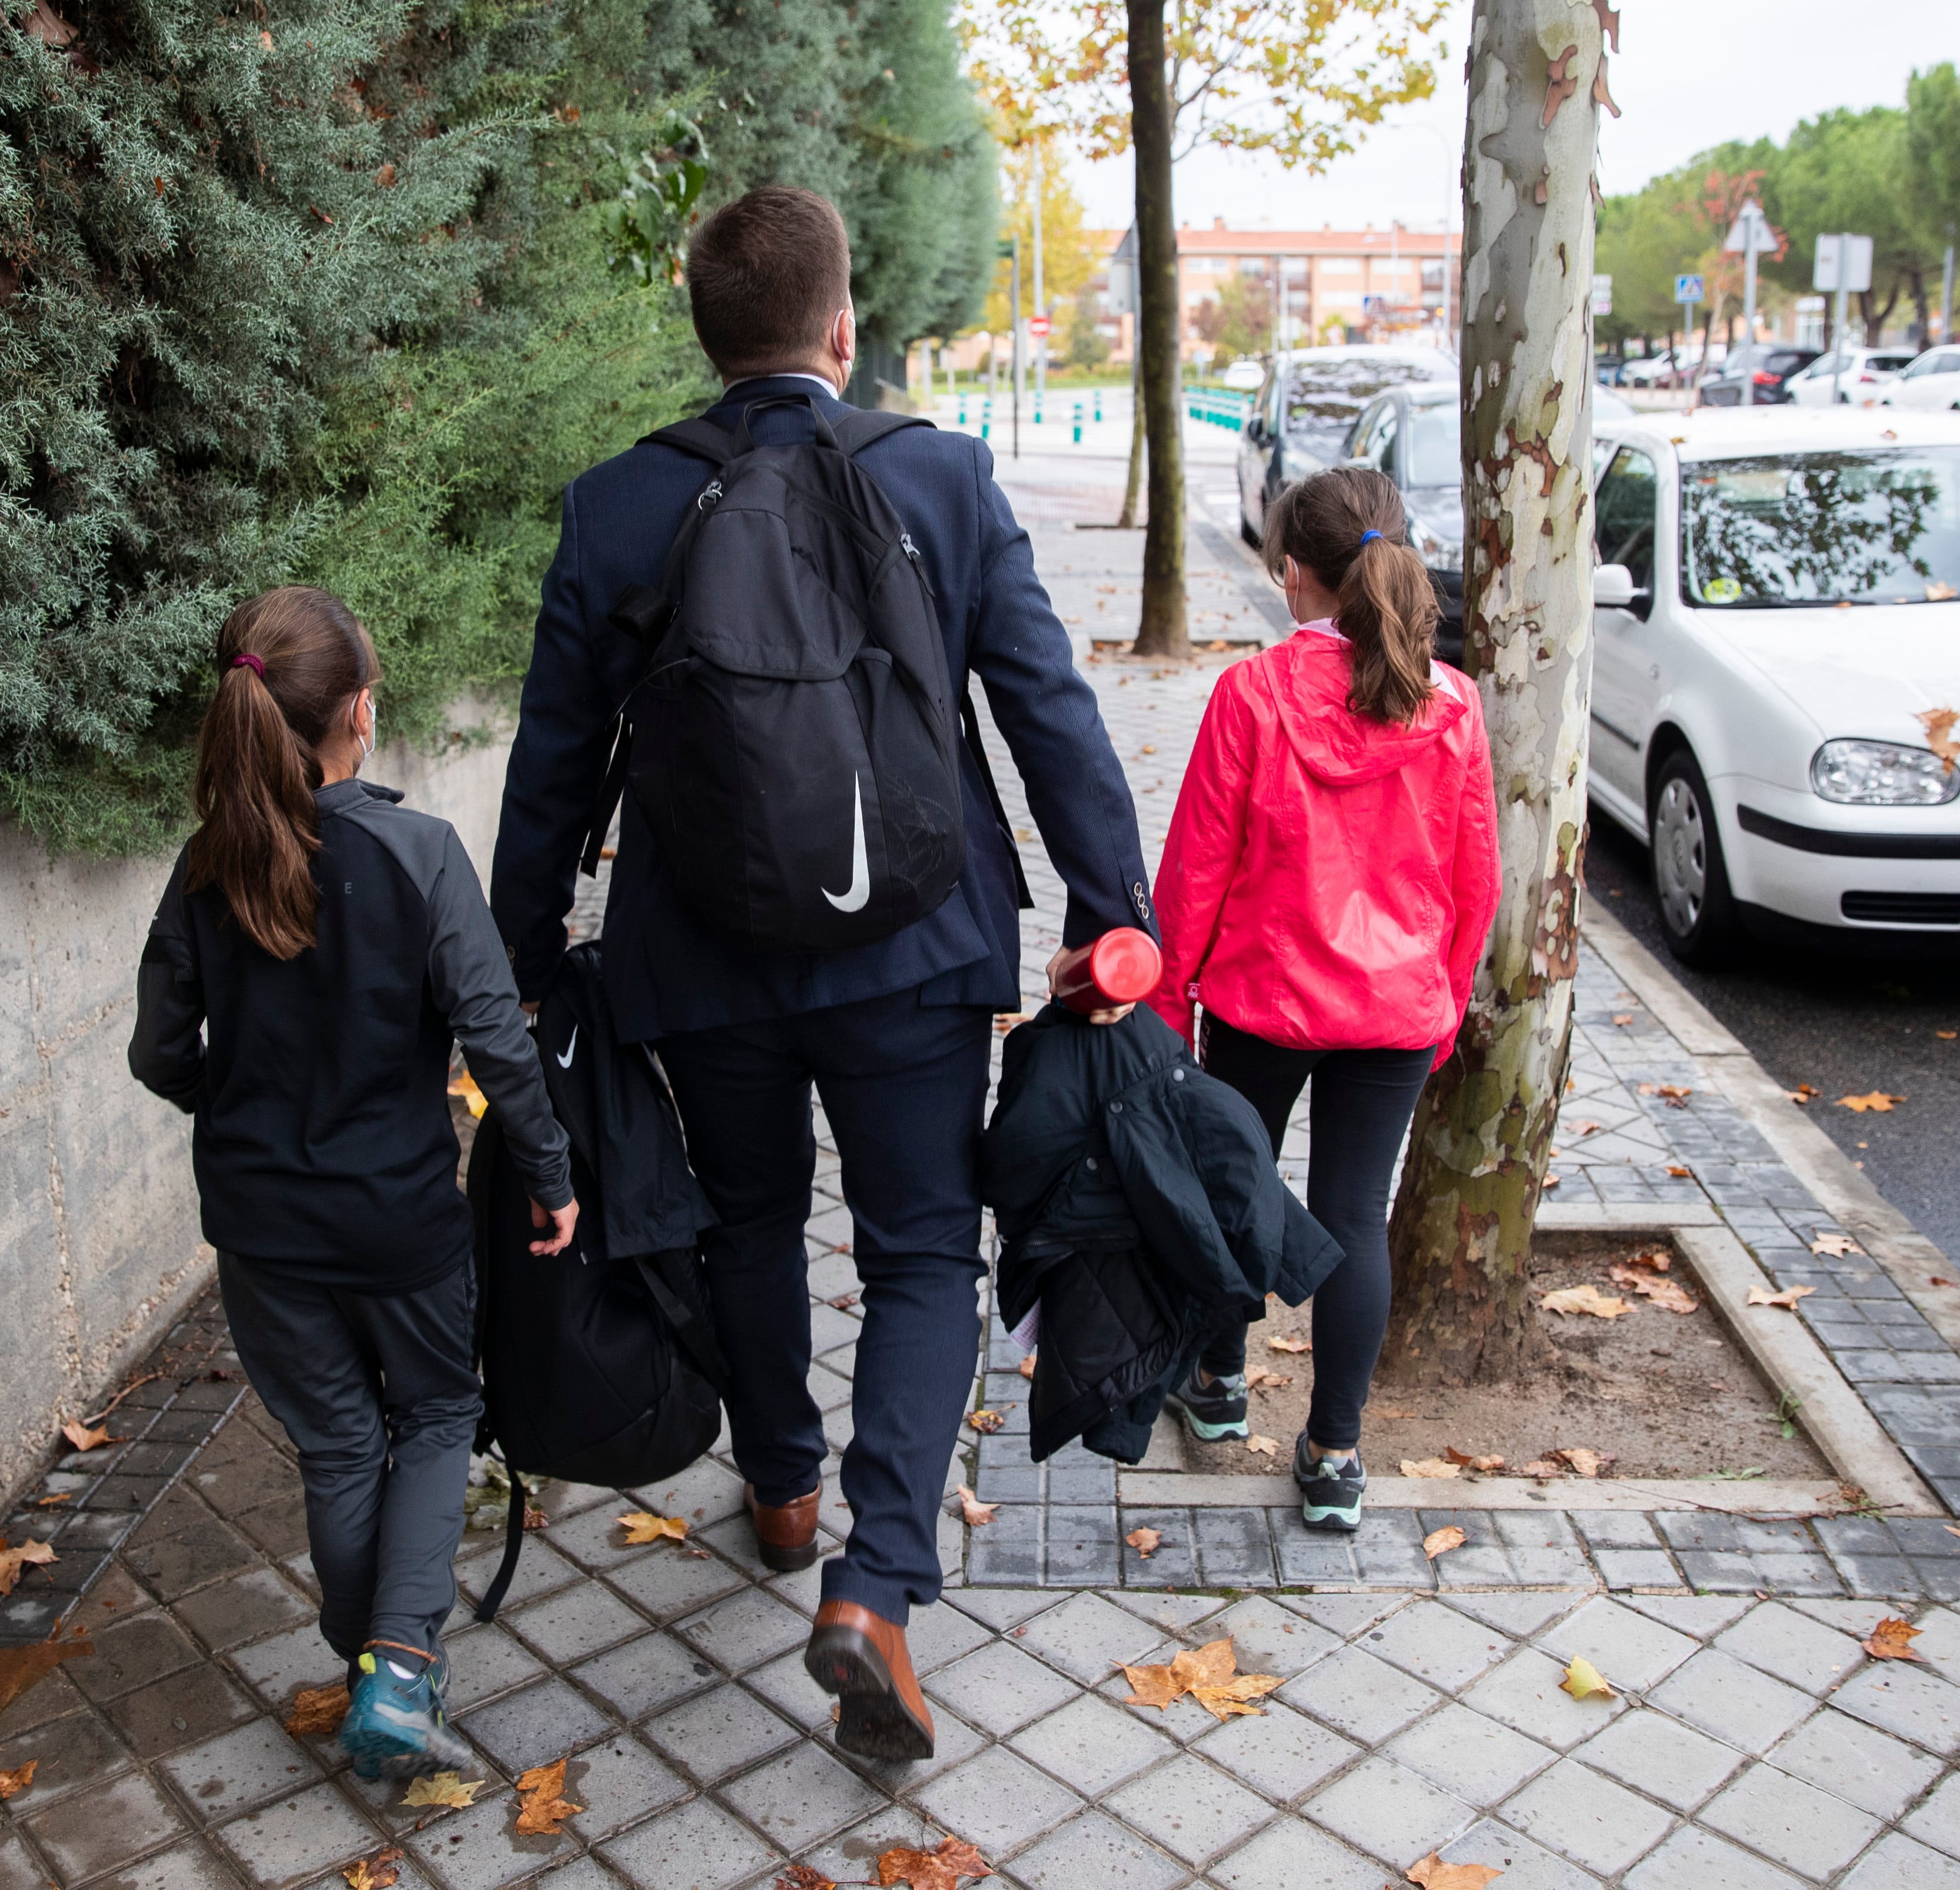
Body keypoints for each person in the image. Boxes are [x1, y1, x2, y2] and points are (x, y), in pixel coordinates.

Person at [491, 186, 1148, 1761]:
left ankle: (781, 1483)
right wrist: (1104, 905)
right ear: (843, 332)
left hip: (701, 953)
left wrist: (519, 956)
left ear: (708, 339)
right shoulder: (941, 477)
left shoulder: (618, 508)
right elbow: (1045, 704)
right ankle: (878, 1588)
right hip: (915, 952)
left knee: (749, 1218)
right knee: (924, 1250)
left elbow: (552, 765)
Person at [129, 586, 580, 1783]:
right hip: (400, 1221)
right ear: (359, 717)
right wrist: (546, 1170)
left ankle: (363, 1652)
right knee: (434, 1413)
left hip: (262, 1229)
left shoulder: (204, 869)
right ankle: (395, 1665)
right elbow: (496, 1036)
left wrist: (237, 1115)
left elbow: (159, 1055)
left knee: (336, 1442)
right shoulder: (418, 853)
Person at [1145, 467, 1502, 1534]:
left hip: (1263, 999)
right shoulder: (1453, 704)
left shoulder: (1252, 696)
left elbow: (1194, 875)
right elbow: (1473, 876)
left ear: (1296, 574)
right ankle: (1336, 1455)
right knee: (1355, 1214)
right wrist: (1442, 998)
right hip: (1396, 1009)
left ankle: (1214, 1387)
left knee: (1234, 1188)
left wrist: (1168, 1008)